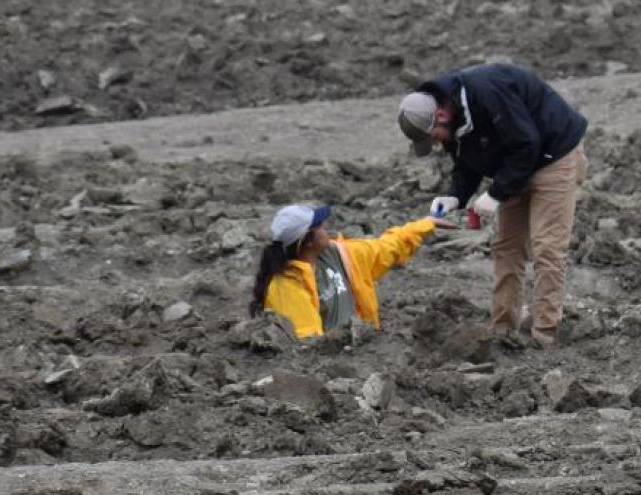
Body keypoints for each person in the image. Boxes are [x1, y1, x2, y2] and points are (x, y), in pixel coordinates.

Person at [398, 63, 589, 350]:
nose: (436, 144)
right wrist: (456, 196)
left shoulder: (487, 94)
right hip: (514, 163)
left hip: (554, 156)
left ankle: (544, 336)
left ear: (440, 114)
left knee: (547, 247)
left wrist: (496, 194)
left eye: (433, 136)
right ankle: (502, 331)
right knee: (507, 247)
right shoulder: (453, 121)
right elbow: (466, 161)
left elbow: (526, 143)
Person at [251, 205, 450, 339]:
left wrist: (425, 225)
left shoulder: (338, 254)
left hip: (362, 350)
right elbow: (308, 343)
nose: (325, 227)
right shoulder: (287, 286)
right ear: (308, 241)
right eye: (319, 226)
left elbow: (385, 247)